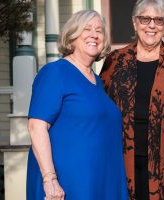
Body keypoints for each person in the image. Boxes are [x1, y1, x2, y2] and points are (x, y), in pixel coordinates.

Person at [99, 0, 164, 199]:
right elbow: (99, 109)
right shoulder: (115, 61)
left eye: (159, 20)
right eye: (145, 19)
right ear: (135, 22)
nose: (152, 25)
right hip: (121, 164)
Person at [26, 10, 128, 200]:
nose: (94, 35)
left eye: (99, 30)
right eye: (87, 29)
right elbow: (36, 127)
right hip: (68, 184)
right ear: (72, 36)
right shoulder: (55, 72)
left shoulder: (97, 82)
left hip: (102, 181)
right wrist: (50, 179)